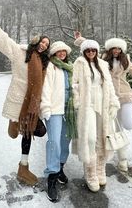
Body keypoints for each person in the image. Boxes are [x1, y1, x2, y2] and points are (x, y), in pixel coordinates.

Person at [0, 3, 50, 186]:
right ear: (36, 41)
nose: (44, 46)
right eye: (42, 42)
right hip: (19, 99)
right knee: (26, 133)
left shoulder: (45, 64)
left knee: (40, 131)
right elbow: (3, 40)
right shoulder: (20, 53)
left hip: (32, 105)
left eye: (47, 44)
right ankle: (24, 166)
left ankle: (15, 126)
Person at [74, 32, 132, 172]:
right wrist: (80, 40)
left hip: (125, 96)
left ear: (122, 50)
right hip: (108, 98)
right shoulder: (102, 59)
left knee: (128, 124)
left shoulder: (126, 62)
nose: (116, 51)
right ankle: (123, 159)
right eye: (114, 48)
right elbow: (91, 47)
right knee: (116, 128)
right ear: (109, 49)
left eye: (119, 49)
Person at [72, 39, 120, 192]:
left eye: (93, 50)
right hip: (88, 106)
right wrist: (78, 103)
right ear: (84, 52)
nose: (91, 53)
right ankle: (90, 173)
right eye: (88, 51)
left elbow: (109, 85)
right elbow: (74, 85)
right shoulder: (79, 63)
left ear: (97, 51)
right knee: (90, 138)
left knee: (102, 137)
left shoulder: (103, 65)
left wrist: (114, 103)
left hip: (102, 104)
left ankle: (100, 169)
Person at [40, 41, 77, 202]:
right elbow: (46, 87)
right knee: (54, 142)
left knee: (65, 141)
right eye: (58, 51)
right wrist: (46, 107)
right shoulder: (51, 66)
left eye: (64, 51)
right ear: (54, 54)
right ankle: (52, 177)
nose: (62, 53)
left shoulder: (71, 67)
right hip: (54, 110)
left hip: (69, 110)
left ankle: (60, 167)